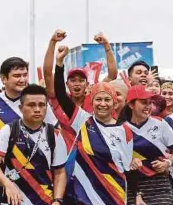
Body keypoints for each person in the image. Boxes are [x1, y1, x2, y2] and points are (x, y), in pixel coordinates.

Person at [0, 57, 58, 205]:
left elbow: (56, 131)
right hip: (2, 175)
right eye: (17, 76)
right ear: (3, 79)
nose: (22, 79)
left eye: (25, 75)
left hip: (38, 175)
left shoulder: (36, 100)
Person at [53, 60, 133, 204]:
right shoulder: (82, 120)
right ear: (92, 102)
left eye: (107, 99)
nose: (103, 104)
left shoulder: (125, 131)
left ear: (115, 103)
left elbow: (127, 169)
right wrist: (59, 64)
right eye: (98, 99)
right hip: (83, 196)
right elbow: (61, 95)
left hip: (114, 196)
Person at [0, 85, 67, 205]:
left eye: (41, 105)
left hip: (45, 200)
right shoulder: (8, 130)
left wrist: (57, 200)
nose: (37, 109)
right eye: (31, 105)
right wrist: (7, 184)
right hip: (13, 201)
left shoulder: (54, 134)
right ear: (21, 108)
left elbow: (60, 172)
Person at [117, 85, 173, 205]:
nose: (148, 106)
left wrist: (167, 163)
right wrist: (131, 161)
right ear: (131, 105)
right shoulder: (120, 128)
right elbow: (117, 160)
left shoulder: (160, 123)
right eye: (143, 102)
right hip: (133, 186)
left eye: (150, 103)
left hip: (160, 184)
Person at [43, 30, 117, 108]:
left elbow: (112, 76)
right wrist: (53, 41)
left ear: (87, 84)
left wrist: (106, 45)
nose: (77, 84)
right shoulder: (60, 99)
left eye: (81, 80)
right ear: (67, 84)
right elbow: (47, 73)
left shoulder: (95, 99)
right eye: (73, 80)